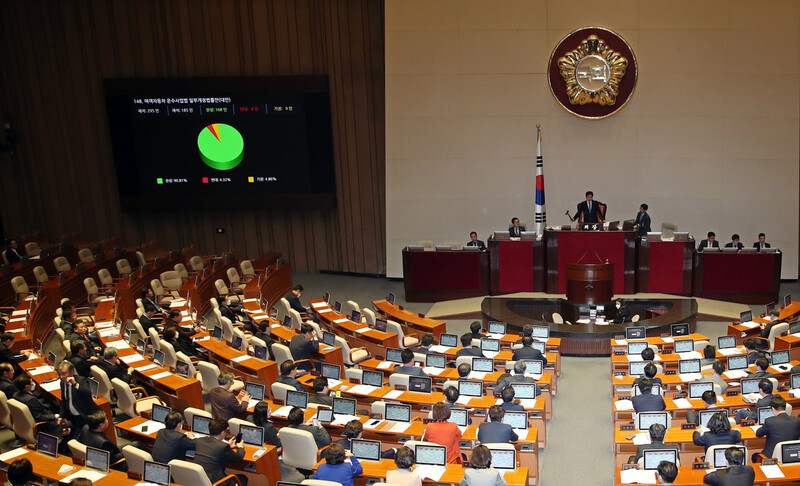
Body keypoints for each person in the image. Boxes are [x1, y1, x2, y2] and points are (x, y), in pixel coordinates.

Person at [194, 418, 247, 486]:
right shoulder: (223, 447)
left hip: (200, 479)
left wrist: (228, 445)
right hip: (215, 482)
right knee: (243, 478)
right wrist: (240, 447)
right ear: (222, 432)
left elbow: (214, 448)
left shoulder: (200, 441)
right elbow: (239, 458)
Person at [12, 374, 65, 440]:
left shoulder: (15, 395)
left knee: (52, 404)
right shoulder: (30, 400)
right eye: (31, 382)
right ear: (27, 387)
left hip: (24, 423)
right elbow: (39, 417)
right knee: (69, 424)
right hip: (42, 425)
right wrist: (56, 416)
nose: (33, 384)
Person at [57, 360, 100, 437]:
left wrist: (75, 384)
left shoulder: (82, 380)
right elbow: (64, 401)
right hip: (73, 418)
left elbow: (88, 393)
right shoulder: (62, 383)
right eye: (59, 374)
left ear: (72, 372)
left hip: (84, 417)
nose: (61, 377)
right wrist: (61, 416)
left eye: (64, 374)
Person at [755, 395, 800, 461]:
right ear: (785, 408)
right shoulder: (797, 420)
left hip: (771, 458)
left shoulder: (769, 421)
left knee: (754, 456)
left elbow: (758, 434)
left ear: (772, 409)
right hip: (791, 456)